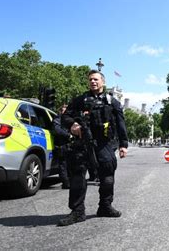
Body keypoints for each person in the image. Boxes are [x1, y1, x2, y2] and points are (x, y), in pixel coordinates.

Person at [58, 69, 128, 227]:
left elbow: (121, 123)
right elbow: (65, 116)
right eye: (90, 79)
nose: (93, 82)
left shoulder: (112, 101)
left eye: (96, 79)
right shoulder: (80, 100)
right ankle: (77, 212)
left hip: (104, 143)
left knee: (108, 176)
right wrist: (72, 124)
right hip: (82, 143)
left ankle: (105, 206)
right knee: (77, 177)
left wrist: (123, 145)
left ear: (103, 82)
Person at [53, 104, 71, 189]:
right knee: (63, 165)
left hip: (69, 145)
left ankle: (69, 182)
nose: (65, 112)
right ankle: (66, 183)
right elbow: (57, 130)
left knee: (69, 164)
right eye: (64, 110)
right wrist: (68, 135)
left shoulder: (68, 119)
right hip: (61, 145)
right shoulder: (57, 119)